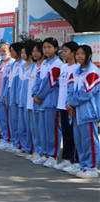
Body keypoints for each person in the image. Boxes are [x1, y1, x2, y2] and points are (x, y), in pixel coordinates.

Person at [65, 45, 99, 178]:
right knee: (80, 141)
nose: (79, 56)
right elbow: (70, 89)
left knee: (89, 140)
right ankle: (83, 164)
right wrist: (69, 105)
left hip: (88, 112)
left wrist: (72, 103)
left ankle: (92, 167)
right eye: (77, 54)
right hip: (76, 112)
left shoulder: (93, 72)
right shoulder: (77, 71)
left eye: (82, 54)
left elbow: (87, 93)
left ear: (89, 55)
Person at [32, 37, 63, 168]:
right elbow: (38, 80)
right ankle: (45, 153)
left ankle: (53, 155)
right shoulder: (44, 63)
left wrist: (39, 96)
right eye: (44, 47)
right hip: (41, 102)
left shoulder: (58, 64)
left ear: (56, 49)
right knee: (43, 129)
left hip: (51, 101)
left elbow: (50, 84)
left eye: (49, 47)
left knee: (52, 130)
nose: (46, 50)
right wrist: (34, 94)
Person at [54, 41, 79, 171]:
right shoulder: (63, 67)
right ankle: (67, 158)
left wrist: (72, 105)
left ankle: (75, 160)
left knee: (73, 133)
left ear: (73, 53)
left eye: (66, 51)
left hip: (70, 106)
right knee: (65, 133)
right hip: (61, 104)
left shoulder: (77, 69)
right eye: (62, 51)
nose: (63, 53)